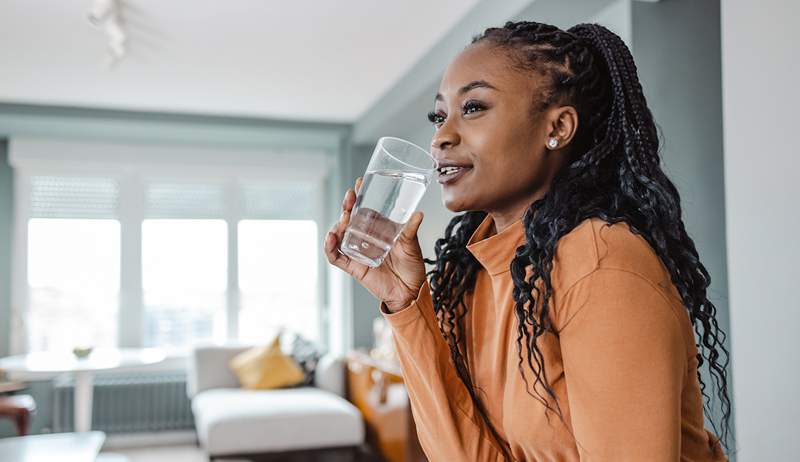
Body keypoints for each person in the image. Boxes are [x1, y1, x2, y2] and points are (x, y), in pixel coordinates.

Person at [324, 21, 732, 461]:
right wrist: (406, 304)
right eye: (440, 116)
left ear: (557, 127)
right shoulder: (476, 275)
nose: (441, 137)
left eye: (474, 107)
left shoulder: (601, 262)